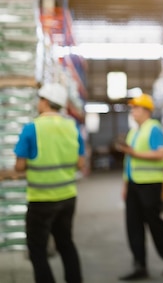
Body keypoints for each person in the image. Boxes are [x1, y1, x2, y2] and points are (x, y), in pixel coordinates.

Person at [14, 82, 85, 283]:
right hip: (68, 197)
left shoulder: (31, 128)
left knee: (37, 249)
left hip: (41, 199)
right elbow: (80, 163)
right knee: (66, 244)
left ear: (44, 102)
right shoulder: (71, 127)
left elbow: (20, 166)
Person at [115, 93, 163, 280]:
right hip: (134, 184)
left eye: (136, 108)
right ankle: (139, 265)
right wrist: (126, 184)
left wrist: (134, 153)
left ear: (145, 110)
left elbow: (161, 154)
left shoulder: (154, 128)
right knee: (133, 226)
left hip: (150, 184)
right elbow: (129, 161)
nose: (133, 112)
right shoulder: (134, 131)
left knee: (155, 224)